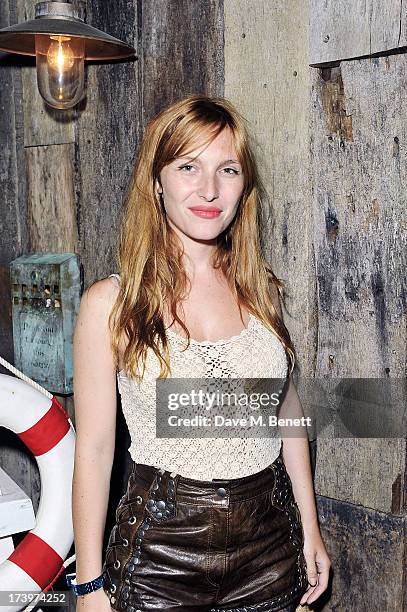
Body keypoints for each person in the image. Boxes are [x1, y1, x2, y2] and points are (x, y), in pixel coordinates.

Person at [70, 94, 331, 611]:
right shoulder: (110, 304)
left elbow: (287, 415)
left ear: (244, 185)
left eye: (227, 169)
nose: (209, 189)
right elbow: (95, 450)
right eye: (188, 166)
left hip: (269, 546)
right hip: (160, 555)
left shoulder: (261, 292)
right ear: (157, 181)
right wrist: (88, 584)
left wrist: (309, 528)